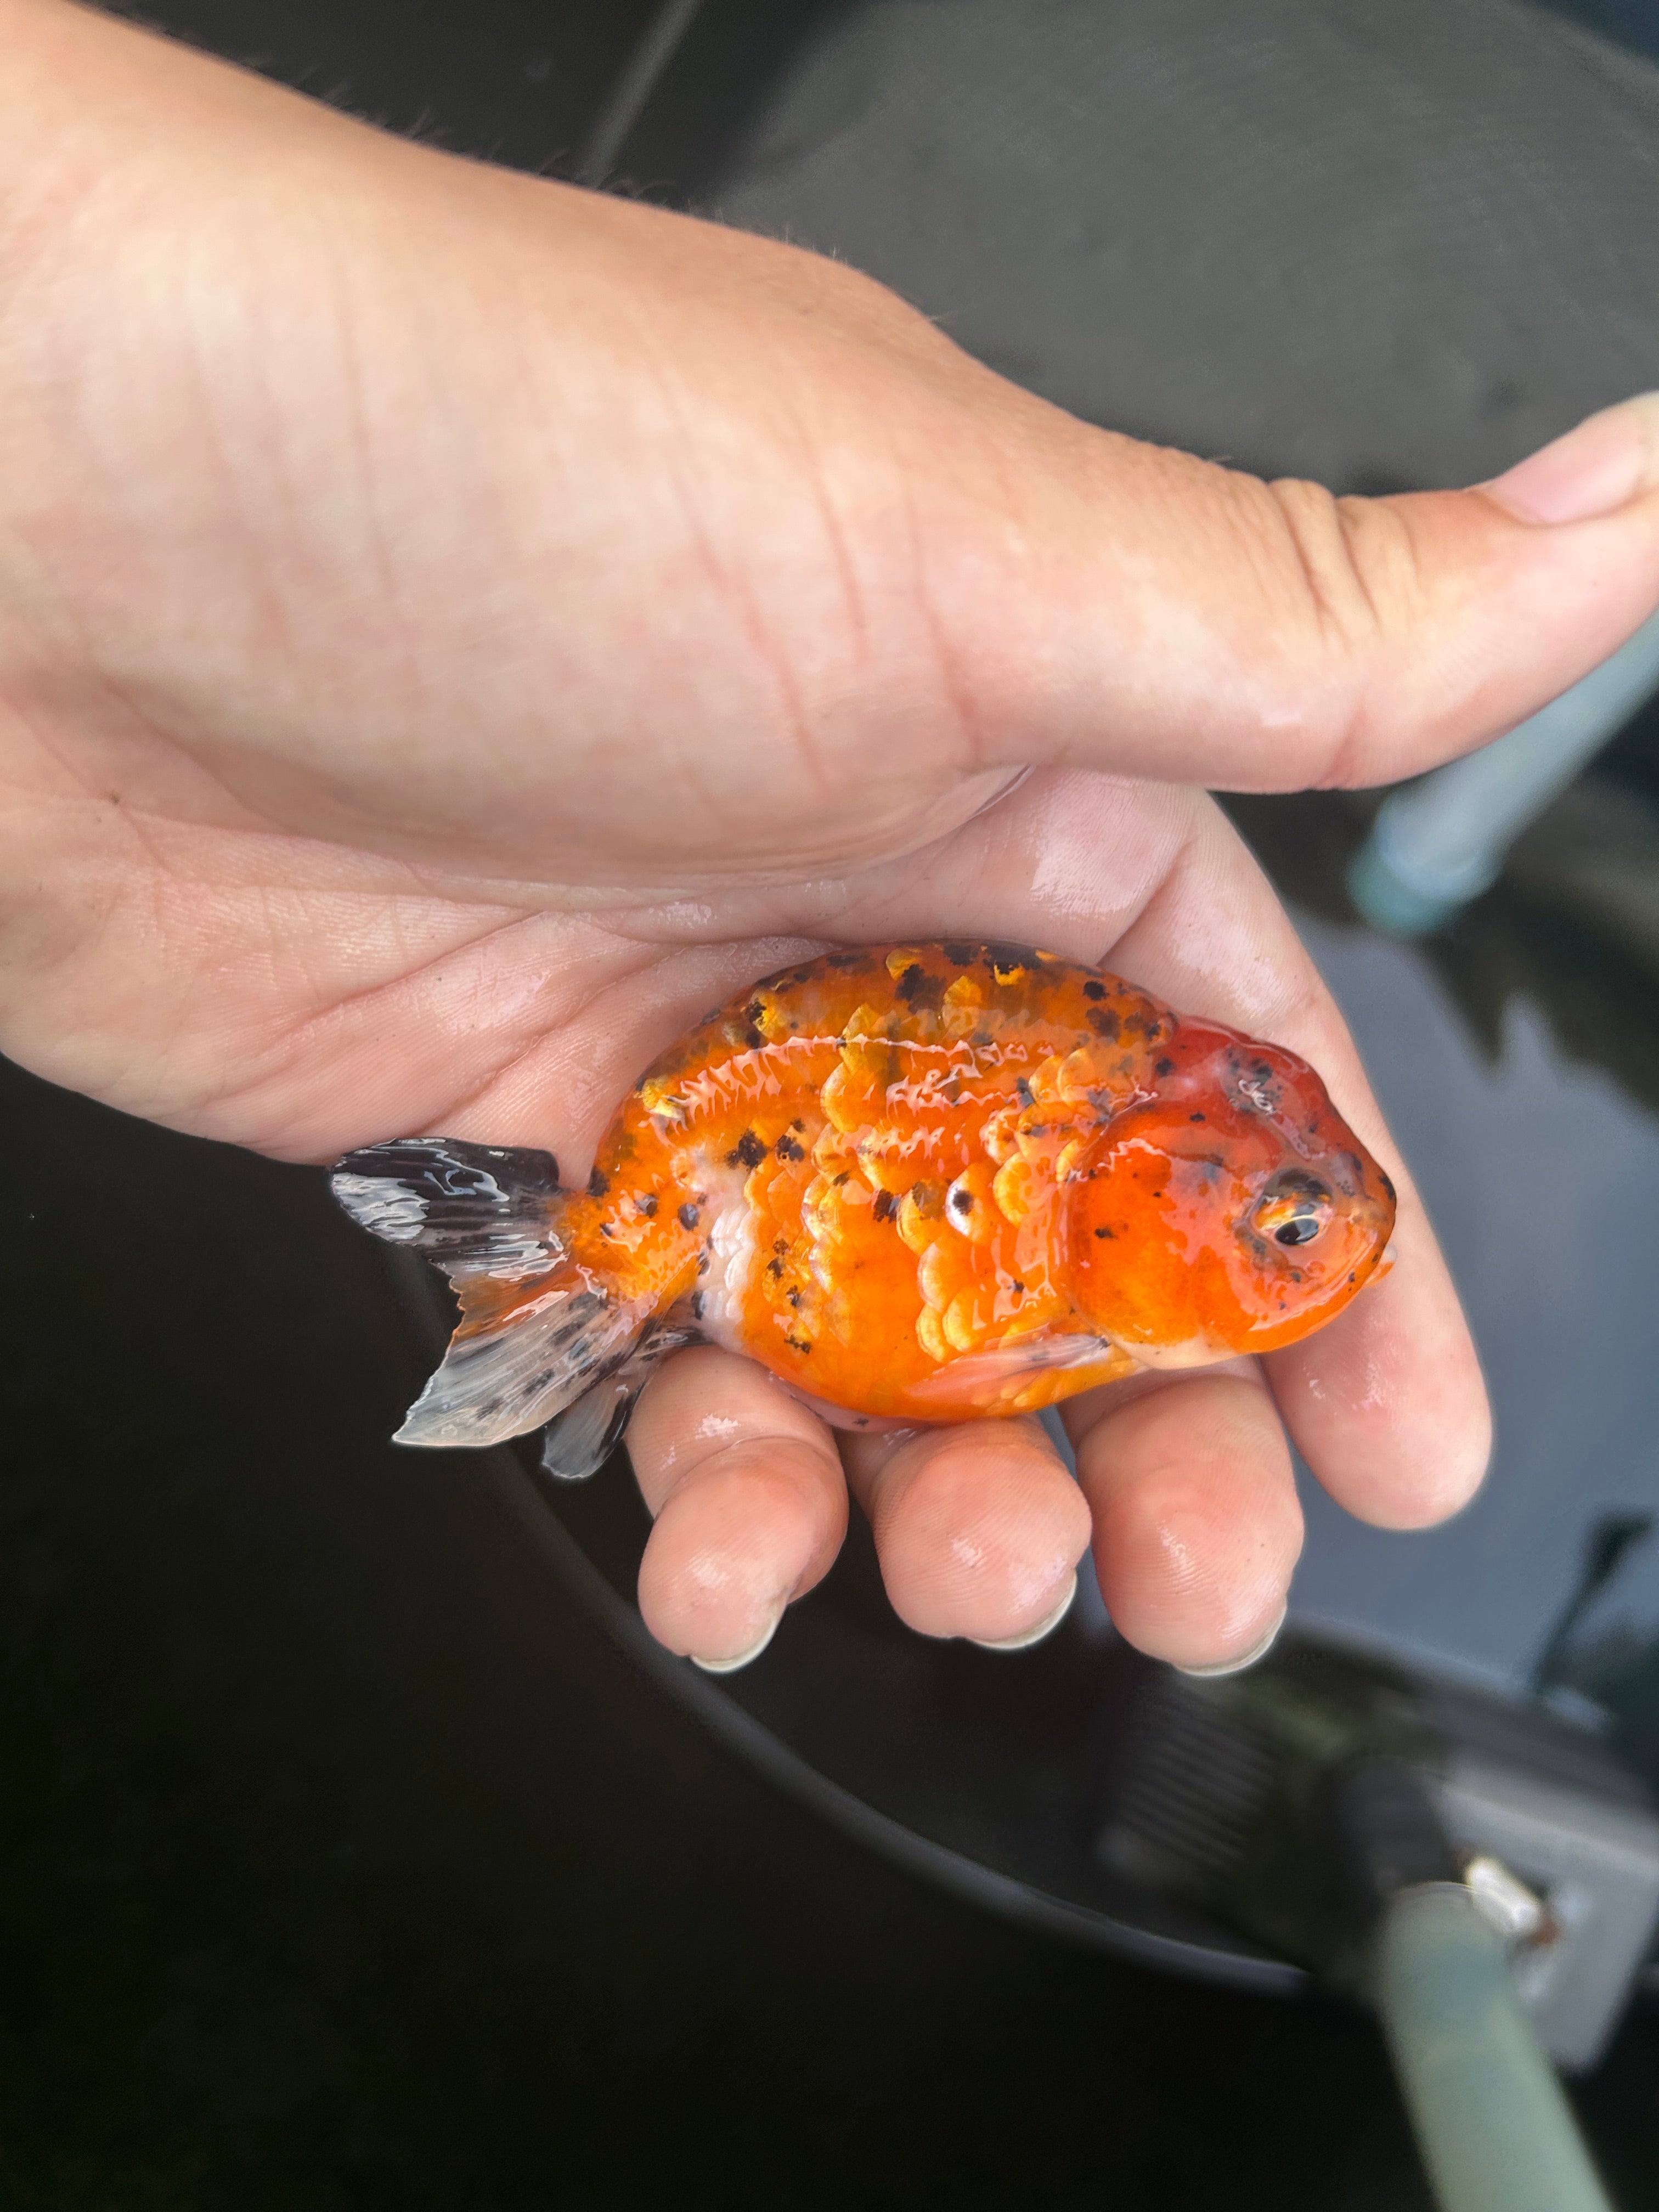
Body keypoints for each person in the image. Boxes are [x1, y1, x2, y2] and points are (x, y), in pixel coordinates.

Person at [2, 0, 1655, 1675]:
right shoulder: (1064, 1201)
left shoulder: (1100, 1182)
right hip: (711, 1143)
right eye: (1284, 1226)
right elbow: (954, 1361)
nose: (1314, 1242)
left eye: (1291, 1220)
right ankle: (567, 1278)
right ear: (1143, 1207)